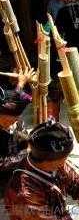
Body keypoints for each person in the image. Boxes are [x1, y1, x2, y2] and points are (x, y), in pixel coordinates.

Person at [4, 121, 79, 220]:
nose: (65, 162)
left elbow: (75, 184)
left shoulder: (55, 163)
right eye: (63, 160)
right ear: (47, 162)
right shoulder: (24, 194)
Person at [0, 71, 33, 218]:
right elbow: (2, 163)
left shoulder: (15, 120)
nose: (12, 122)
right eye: (8, 119)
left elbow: (21, 134)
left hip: (16, 175)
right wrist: (26, 153)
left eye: (15, 119)